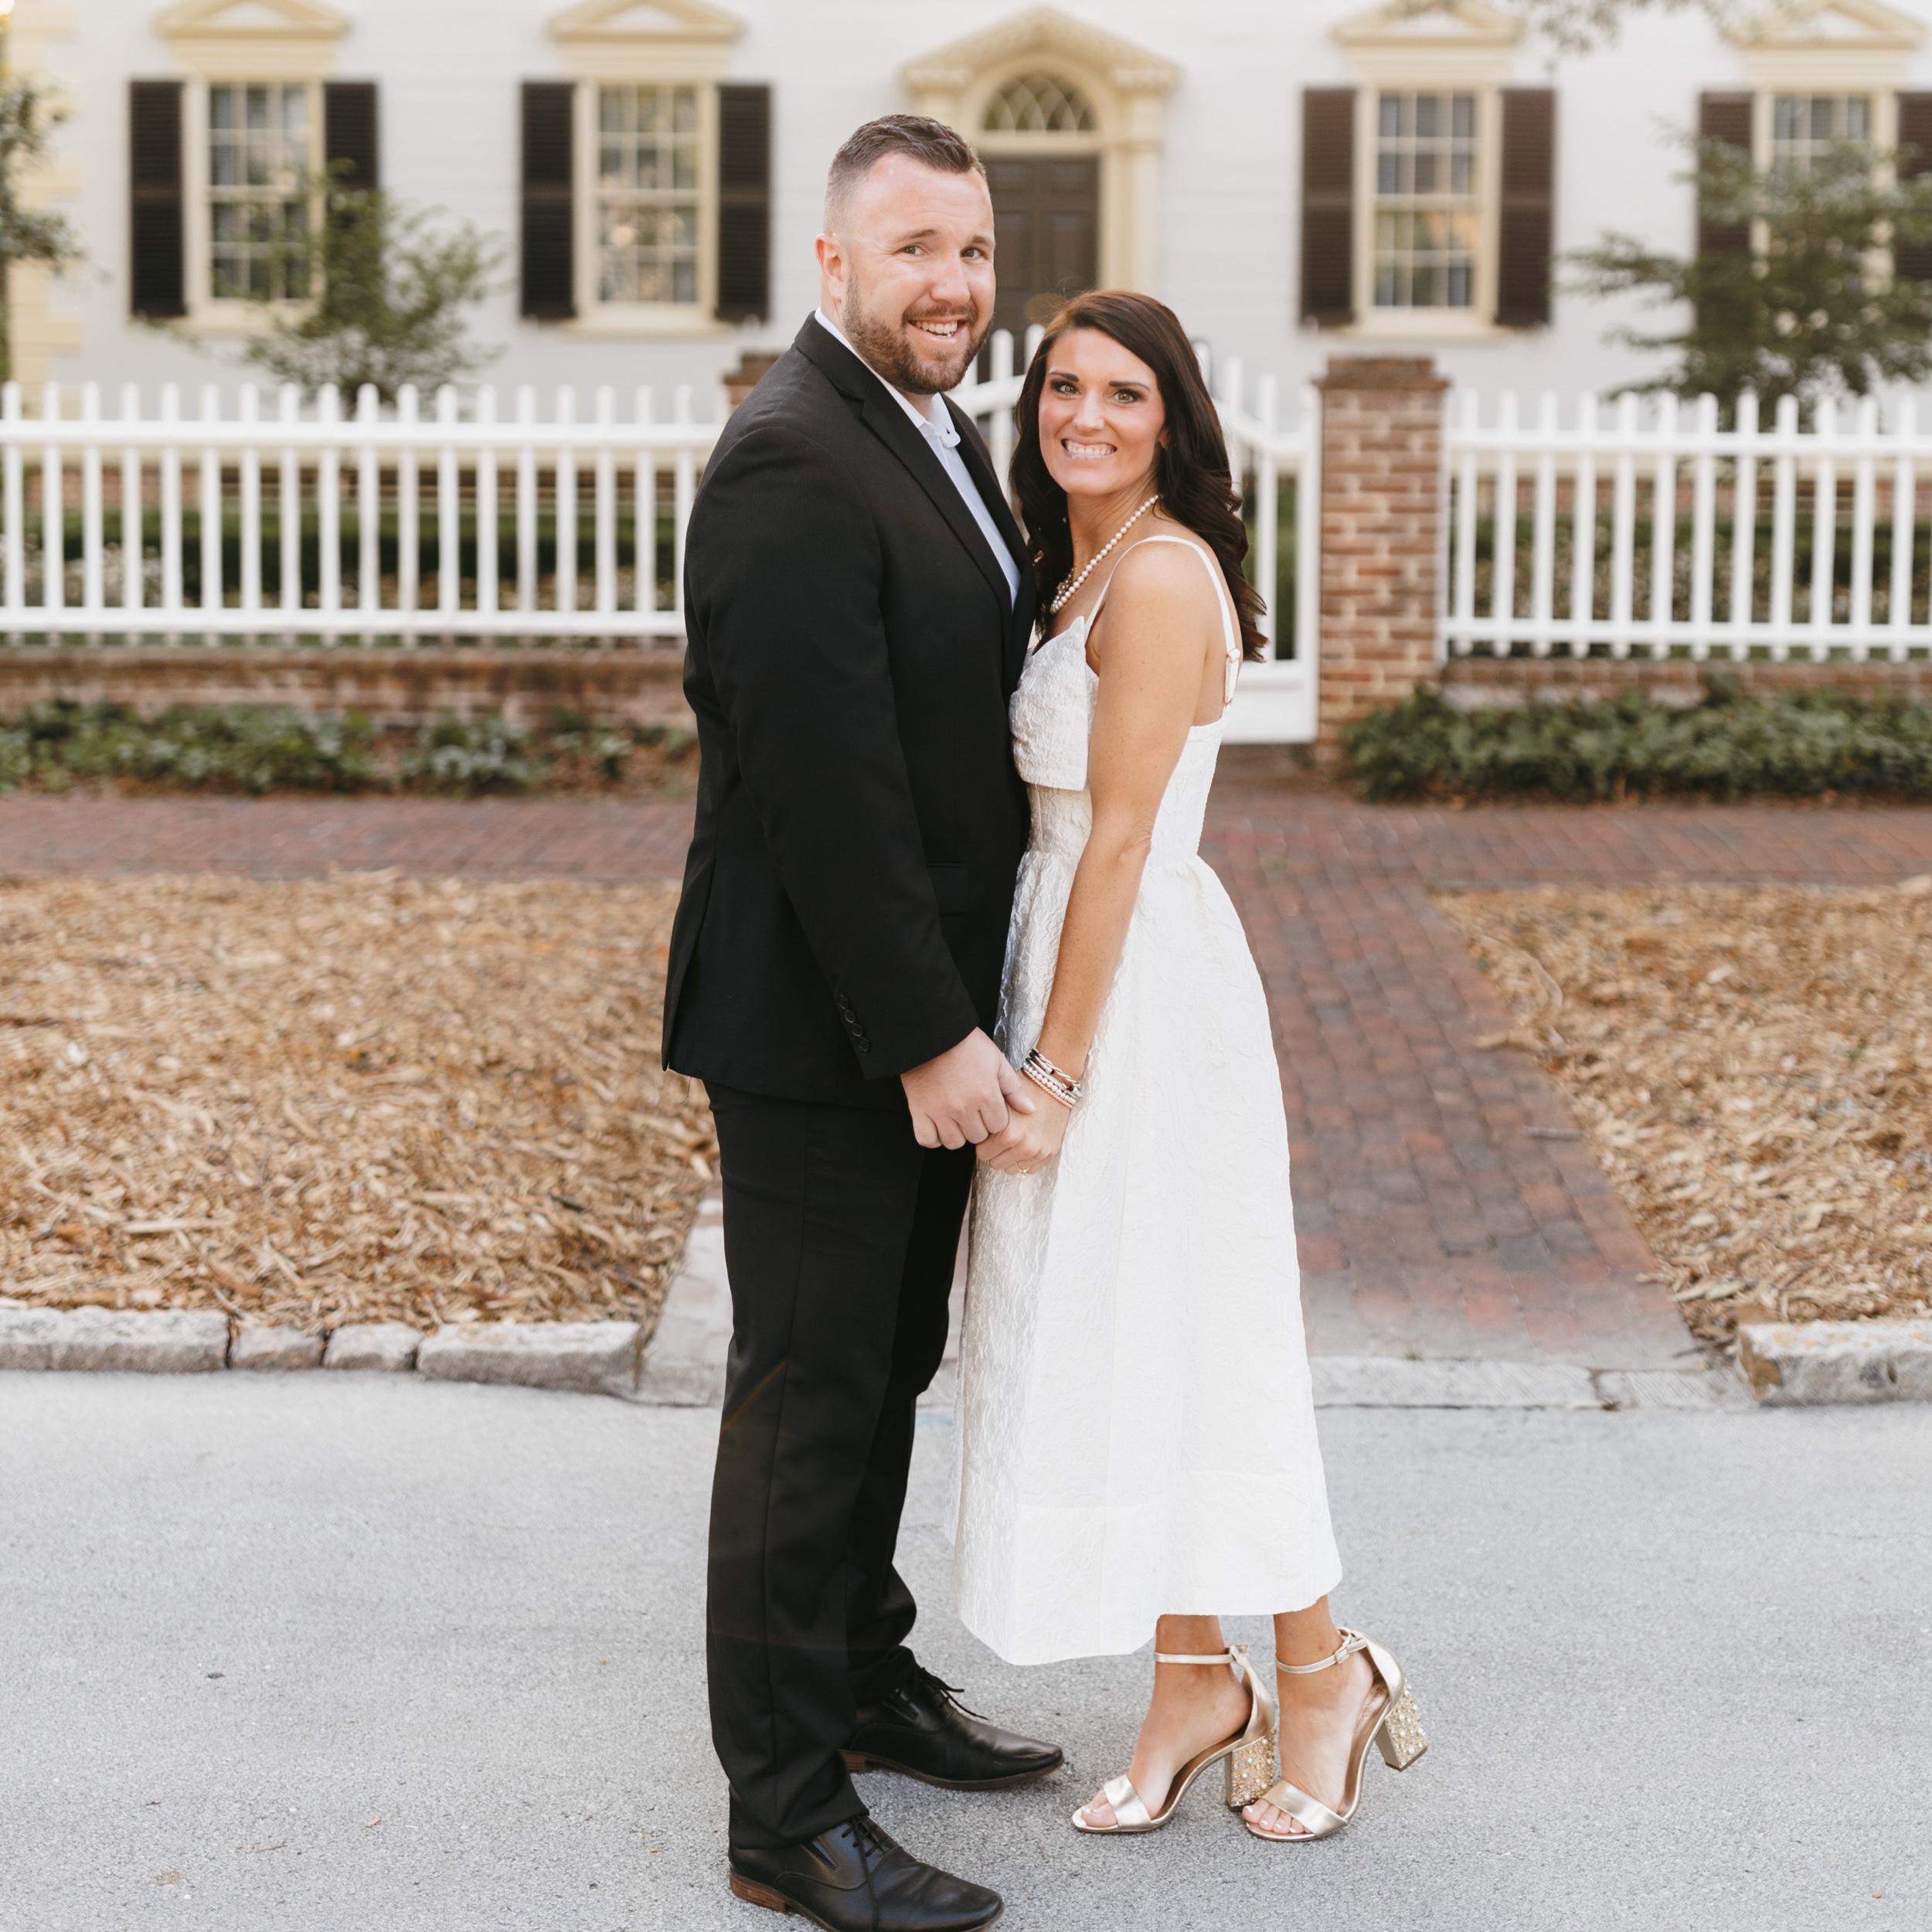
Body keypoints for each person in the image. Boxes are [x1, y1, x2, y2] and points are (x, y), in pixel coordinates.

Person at [952, 290, 1429, 1844]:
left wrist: (1056, 1071)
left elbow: (1126, 839)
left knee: (1190, 1331)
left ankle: (1319, 1664)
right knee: (1116, 1333)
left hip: (1131, 992)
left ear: (1173, 419)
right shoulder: (1080, 560)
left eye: (1122, 393)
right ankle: (1186, 1678)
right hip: (1074, 953)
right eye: (1062, 387)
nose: (1082, 413)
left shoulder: (1156, 577)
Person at [662, 116, 1059, 1930]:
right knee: (807, 1396)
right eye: (913, 250)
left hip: (910, 1019)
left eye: (970, 250)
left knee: (883, 1367)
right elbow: (826, 797)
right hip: (825, 1030)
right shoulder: (789, 462)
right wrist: (922, 1033)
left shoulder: (929, 428)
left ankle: (860, 1671)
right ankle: (785, 1813)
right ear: (831, 262)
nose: (952, 284)